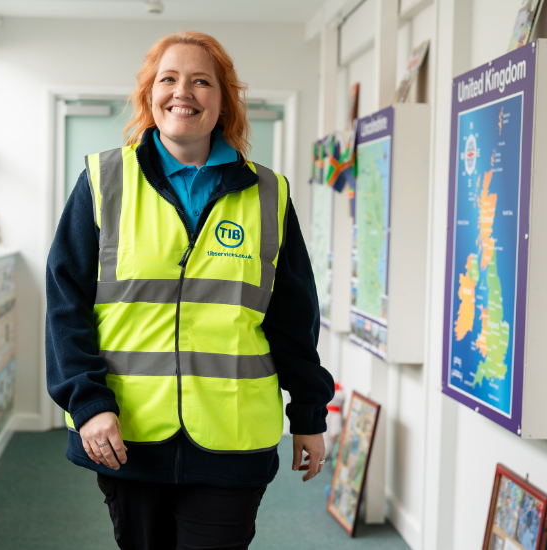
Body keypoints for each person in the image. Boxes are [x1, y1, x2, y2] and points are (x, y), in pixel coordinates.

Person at [46, 31, 334, 550]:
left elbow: (294, 316)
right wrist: (86, 403)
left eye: (202, 81)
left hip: (233, 437)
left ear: (223, 101)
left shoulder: (268, 194)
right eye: (169, 79)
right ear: (149, 95)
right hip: (128, 436)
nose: (184, 92)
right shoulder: (103, 181)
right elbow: (65, 304)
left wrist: (309, 413)